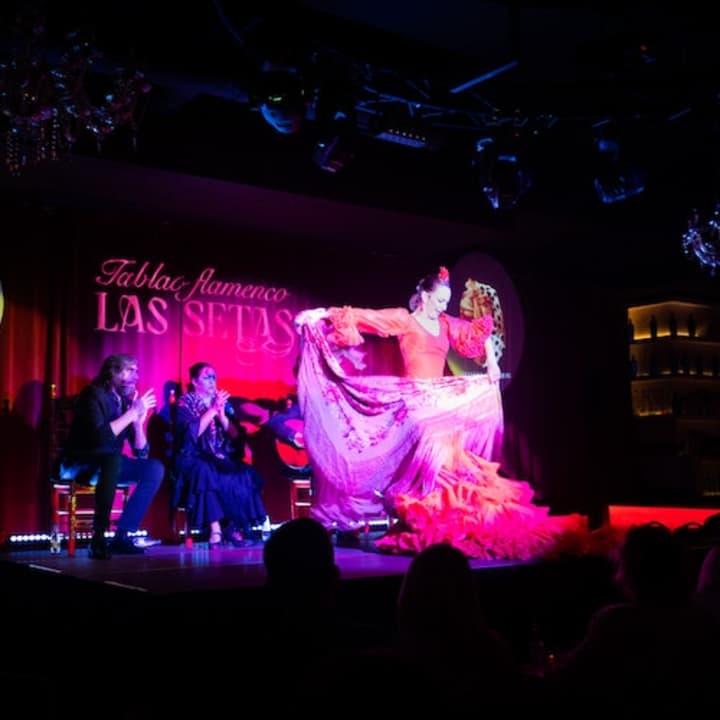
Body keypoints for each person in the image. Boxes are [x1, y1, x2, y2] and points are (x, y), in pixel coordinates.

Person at [294, 265, 585, 559]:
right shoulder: (405, 320)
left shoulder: (446, 323)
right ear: (425, 296)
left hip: (442, 402)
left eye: (447, 301)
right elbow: (365, 316)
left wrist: (492, 363)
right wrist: (321, 314)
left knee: (451, 462)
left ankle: (447, 521)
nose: (444, 306)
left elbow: (479, 331)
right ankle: (429, 519)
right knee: (433, 458)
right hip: (417, 404)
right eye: (441, 300)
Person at [61, 353, 164, 559]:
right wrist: (131, 414)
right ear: (112, 372)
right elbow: (100, 439)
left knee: (154, 468)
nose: (136, 376)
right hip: (81, 462)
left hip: (110, 464)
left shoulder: (125, 402)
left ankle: (122, 536)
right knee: (112, 459)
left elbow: (141, 452)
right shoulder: (92, 394)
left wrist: (138, 423)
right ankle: (98, 538)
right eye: (130, 370)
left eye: (136, 371)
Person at [172, 362, 267, 547]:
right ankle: (215, 529)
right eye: (207, 377)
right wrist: (212, 410)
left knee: (244, 473)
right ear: (194, 381)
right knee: (205, 470)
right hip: (192, 456)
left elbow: (236, 436)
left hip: (218, 456)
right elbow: (191, 435)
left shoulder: (223, 403)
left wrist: (222, 415)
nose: (212, 381)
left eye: (214, 377)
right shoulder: (185, 403)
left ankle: (234, 526)